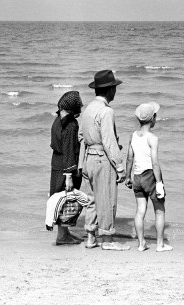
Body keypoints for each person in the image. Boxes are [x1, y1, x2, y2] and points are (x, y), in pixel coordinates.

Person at [80, 70, 130, 251]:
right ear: (109, 90)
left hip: (88, 158)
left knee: (92, 199)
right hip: (102, 159)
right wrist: (120, 166)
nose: (115, 91)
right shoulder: (106, 111)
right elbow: (109, 142)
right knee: (107, 199)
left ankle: (91, 237)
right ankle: (107, 240)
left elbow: (81, 136)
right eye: (114, 88)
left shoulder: (87, 110)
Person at [125, 102, 173, 252]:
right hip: (150, 175)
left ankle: (141, 244)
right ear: (153, 119)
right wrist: (159, 183)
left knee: (140, 210)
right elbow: (155, 163)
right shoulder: (152, 138)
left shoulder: (133, 136)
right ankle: (160, 244)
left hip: (137, 176)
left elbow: (129, 158)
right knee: (159, 210)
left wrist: (128, 176)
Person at [49, 90, 84, 245]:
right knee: (66, 200)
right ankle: (62, 237)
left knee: (59, 198)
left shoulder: (57, 120)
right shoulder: (70, 125)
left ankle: (65, 233)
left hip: (56, 163)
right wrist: (69, 174)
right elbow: (69, 149)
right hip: (65, 166)